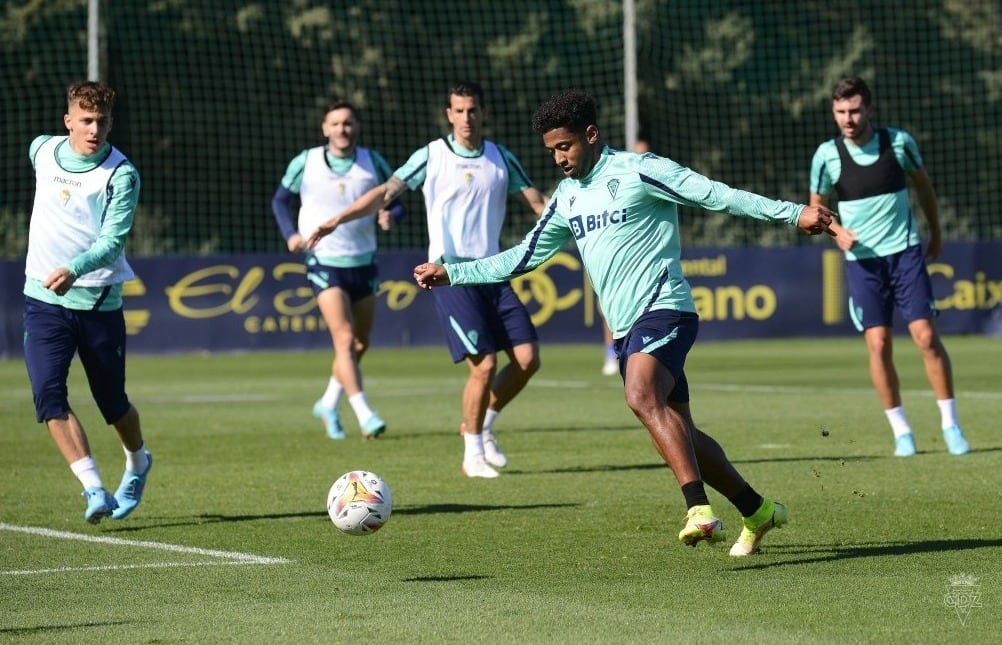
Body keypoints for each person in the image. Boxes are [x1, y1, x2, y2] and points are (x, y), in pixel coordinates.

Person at [413, 89, 837, 555]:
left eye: (565, 146)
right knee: (684, 434)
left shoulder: (640, 170)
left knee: (639, 395)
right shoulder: (567, 198)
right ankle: (758, 510)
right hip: (626, 328)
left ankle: (697, 509)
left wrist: (793, 212)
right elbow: (521, 257)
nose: (558, 159)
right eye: (552, 150)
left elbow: (717, 196)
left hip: (667, 307)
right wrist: (453, 272)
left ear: (591, 135)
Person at [308, 81, 549, 478]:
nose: (466, 117)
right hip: (449, 274)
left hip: (494, 271)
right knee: (484, 364)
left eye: (473, 110)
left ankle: (483, 424)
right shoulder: (432, 155)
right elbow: (385, 191)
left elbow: (538, 202)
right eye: (459, 111)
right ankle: (472, 454)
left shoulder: (500, 157)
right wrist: (337, 219)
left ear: (483, 113)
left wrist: (585, 231)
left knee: (527, 360)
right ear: (448, 115)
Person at [809, 76, 970, 458]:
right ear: (834, 112)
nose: (848, 118)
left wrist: (935, 232)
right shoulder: (826, 156)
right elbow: (816, 211)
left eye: (855, 110)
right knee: (878, 344)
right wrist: (836, 231)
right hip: (862, 263)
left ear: (870, 110)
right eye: (841, 112)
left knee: (926, 338)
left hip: (905, 253)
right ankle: (902, 432)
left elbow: (924, 187)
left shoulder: (898, 143)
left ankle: (951, 424)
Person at [23, 81, 152, 524]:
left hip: (96, 301)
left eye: (102, 121)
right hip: (42, 300)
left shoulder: (121, 174)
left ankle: (137, 463)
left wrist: (74, 269)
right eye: (86, 121)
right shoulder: (42, 150)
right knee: (47, 394)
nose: (94, 129)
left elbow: (112, 242)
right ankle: (93, 486)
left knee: (112, 402)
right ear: (68, 122)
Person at [272, 101, 403, 440]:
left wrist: (392, 215)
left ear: (356, 127)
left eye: (348, 123)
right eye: (335, 123)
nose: (342, 129)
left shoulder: (372, 161)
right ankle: (364, 413)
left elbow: (396, 200)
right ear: (324, 129)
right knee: (343, 338)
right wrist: (291, 235)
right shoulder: (307, 161)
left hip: (363, 261)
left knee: (360, 343)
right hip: (323, 260)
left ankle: (329, 402)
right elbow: (279, 200)